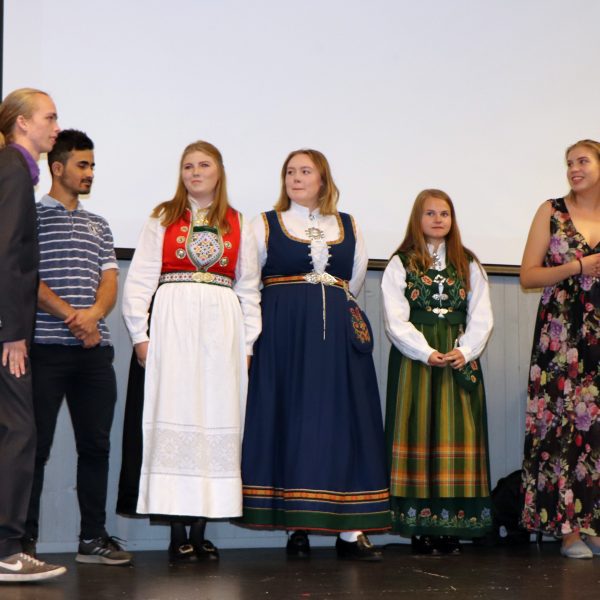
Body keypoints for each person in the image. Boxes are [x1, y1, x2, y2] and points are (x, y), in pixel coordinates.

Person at [240, 149, 390, 561]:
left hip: (338, 338)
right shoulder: (264, 224)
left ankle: (351, 530)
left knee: (345, 424)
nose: (296, 177)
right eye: (290, 171)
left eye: (305, 171)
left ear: (322, 179)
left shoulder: (348, 225)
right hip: (284, 334)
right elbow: (248, 284)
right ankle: (298, 525)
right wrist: (252, 339)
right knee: (294, 420)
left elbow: (353, 280)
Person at [121, 140, 261, 563]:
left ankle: (200, 529)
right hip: (173, 324)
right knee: (175, 412)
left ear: (219, 172)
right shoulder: (163, 218)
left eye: (203, 165)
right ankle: (177, 532)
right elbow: (140, 280)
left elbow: (249, 289)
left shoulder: (240, 223)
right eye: (188, 166)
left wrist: (248, 344)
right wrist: (140, 335)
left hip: (221, 329)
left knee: (215, 415)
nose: (195, 172)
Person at [22, 129, 132, 566]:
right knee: (34, 449)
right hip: (44, 350)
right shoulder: (29, 217)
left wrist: (93, 317)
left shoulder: (98, 224)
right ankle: (22, 543)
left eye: (92, 166)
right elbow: (26, 279)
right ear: (57, 167)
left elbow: (109, 281)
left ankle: (92, 538)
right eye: (82, 165)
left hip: (94, 354)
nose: (89, 173)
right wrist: (75, 317)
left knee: (96, 447)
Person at [381, 189, 493, 554]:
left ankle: (452, 525)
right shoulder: (401, 262)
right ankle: (421, 527)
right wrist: (425, 352)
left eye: (444, 213)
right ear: (418, 218)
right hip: (416, 361)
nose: (438, 219)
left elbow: (482, 315)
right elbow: (395, 319)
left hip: (457, 356)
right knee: (417, 432)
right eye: (430, 213)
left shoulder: (467, 262)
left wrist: (465, 350)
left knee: (458, 435)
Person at [520, 139, 600, 559]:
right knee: (561, 428)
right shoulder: (551, 211)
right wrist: (577, 266)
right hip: (561, 336)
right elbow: (528, 275)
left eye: (582, 161)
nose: (573, 168)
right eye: (569, 163)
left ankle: (592, 524)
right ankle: (566, 530)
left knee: (596, 432)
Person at [0, 88, 66, 582]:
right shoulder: (13, 169)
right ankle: (6, 549)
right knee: (19, 432)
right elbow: (6, 252)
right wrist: (12, 331)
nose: (56, 127)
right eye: (50, 117)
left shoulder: (14, 168)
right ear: (22, 123)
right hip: (6, 330)